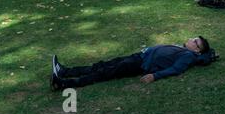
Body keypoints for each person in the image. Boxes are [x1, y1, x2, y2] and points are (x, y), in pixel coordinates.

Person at [50, 37, 214, 90]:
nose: (192, 40)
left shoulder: (189, 56)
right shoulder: (183, 48)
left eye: (196, 43)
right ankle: (65, 71)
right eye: (194, 38)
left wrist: (154, 76)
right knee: (102, 65)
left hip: (141, 64)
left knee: (107, 72)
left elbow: (176, 69)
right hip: (140, 56)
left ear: (197, 51)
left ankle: (63, 83)